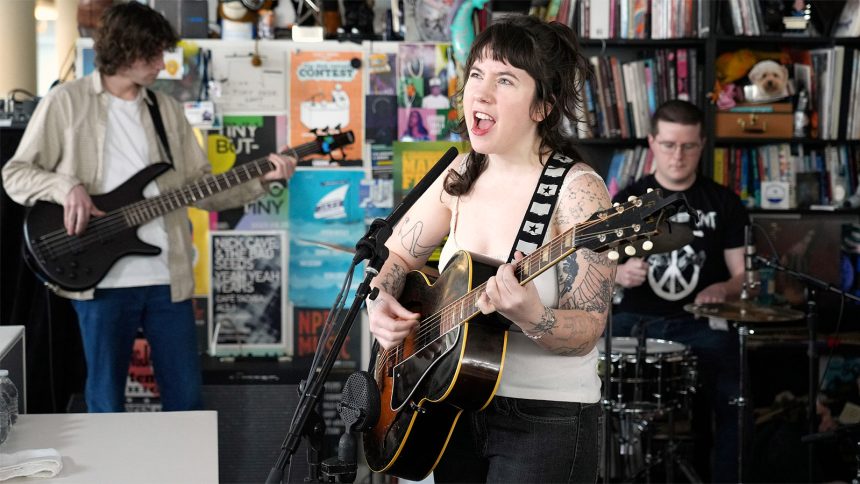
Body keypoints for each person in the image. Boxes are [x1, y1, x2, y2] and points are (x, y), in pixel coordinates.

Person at [1, 2, 295, 413]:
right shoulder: (66, 102)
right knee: (105, 401)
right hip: (100, 282)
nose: (162, 63)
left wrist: (262, 179)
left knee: (187, 400)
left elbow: (200, 189)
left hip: (167, 279)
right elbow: (15, 174)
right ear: (124, 51)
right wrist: (65, 186)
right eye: (153, 54)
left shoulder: (167, 110)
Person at [368, 15, 612, 483]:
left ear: (543, 105)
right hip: (452, 405)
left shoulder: (578, 191)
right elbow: (396, 258)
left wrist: (532, 316)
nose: (479, 93)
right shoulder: (460, 174)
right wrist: (382, 301)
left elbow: (588, 328)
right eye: (476, 74)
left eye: (505, 80)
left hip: (544, 417)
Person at [611, 99, 749, 482]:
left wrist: (725, 286)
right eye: (669, 145)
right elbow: (595, 271)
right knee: (588, 373)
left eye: (688, 146)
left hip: (700, 325)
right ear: (652, 143)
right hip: (635, 323)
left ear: (702, 145)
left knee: (736, 396)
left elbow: (744, 277)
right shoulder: (628, 202)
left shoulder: (724, 203)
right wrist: (619, 273)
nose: (678, 155)